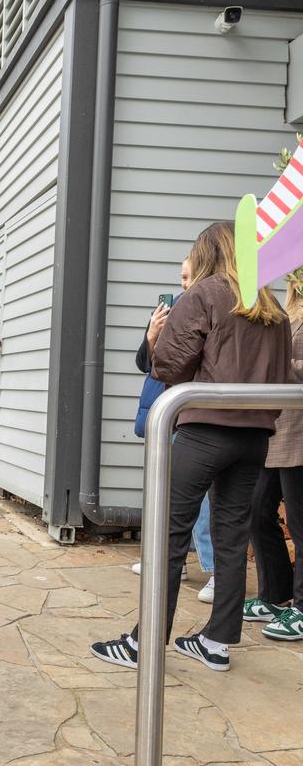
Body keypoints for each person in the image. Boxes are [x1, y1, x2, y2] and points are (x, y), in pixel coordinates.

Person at [91, 220, 290, 672]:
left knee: (169, 534)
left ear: (208, 255)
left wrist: (155, 339)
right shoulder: (270, 304)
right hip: (255, 439)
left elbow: (167, 365)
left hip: (204, 433)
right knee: (232, 538)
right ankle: (217, 642)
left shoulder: (204, 294)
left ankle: (146, 642)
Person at [132, 257, 216, 603]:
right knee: (165, 491)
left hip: (195, 415)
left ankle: (215, 570)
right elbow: (146, 364)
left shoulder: (212, 309)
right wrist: (152, 335)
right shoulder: (172, 311)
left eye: (190, 276)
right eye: (182, 277)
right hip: (166, 413)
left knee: (204, 499)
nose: (184, 283)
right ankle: (174, 561)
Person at [243, 268, 303, 641]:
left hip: (301, 436)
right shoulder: (286, 311)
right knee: (255, 510)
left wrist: (282, 367)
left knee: (300, 523)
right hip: (277, 432)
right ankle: (276, 593)